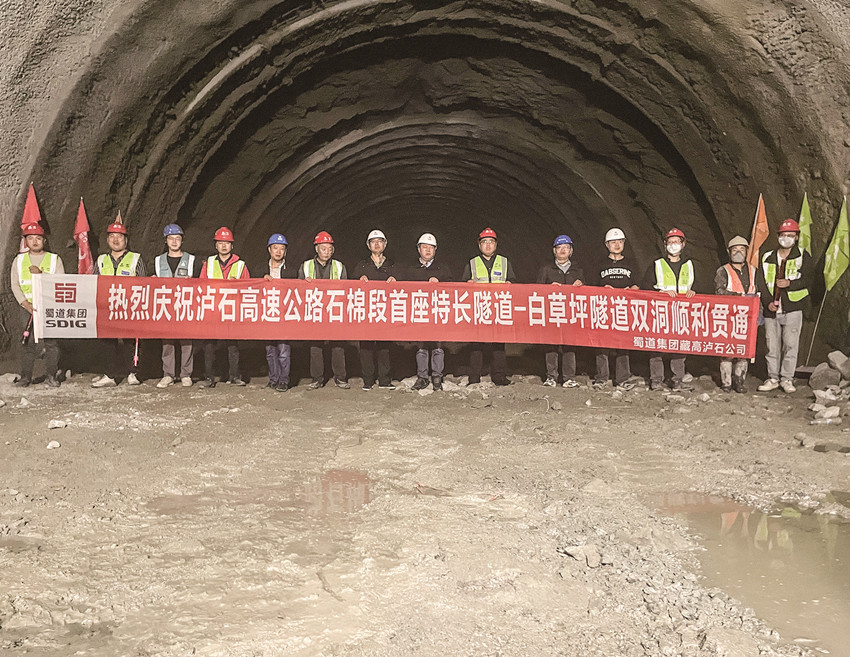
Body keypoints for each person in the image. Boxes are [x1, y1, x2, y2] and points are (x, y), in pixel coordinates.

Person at [756, 219, 812, 394]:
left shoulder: (802, 256)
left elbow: (809, 280)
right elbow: (760, 282)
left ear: (796, 237)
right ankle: (772, 378)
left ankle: (787, 379)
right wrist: (767, 302)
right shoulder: (767, 257)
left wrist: (790, 284)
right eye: (783, 235)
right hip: (771, 309)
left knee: (790, 345)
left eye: (790, 235)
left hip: (793, 307)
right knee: (771, 345)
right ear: (778, 236)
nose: (786, 238)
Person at [641, 228, 698, 391]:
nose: (674, 245)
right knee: (657, 346)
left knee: (679, 345)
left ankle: (677, 380)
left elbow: (699, 286)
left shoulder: (689, 265)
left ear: (683, 244)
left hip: (682, 313)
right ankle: (656, 380)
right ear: (665, 245)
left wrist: (693, 292)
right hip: (660, 312)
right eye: (670, 242)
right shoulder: (657, 265)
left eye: (677, 241)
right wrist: (661, 293)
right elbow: (645, 287)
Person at [92, 221, 146, 388]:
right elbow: (94, 283)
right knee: (107, 342)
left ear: (126, 240)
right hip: (107, 306)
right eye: (112, 236)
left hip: (129, 305)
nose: (116, 240)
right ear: (107, 239)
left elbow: (143, 283)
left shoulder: (135, 258)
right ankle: (110, 374)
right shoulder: (101, 260)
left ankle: (132, 372)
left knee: (131, 340)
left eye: (119, 236)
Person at [10, 223, 64, 387]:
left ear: (44, 241)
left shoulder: (54, 259)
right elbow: (15, 284)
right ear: (25, 241)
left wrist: (42, 274)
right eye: (30, 238)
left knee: (51, 343)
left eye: (38, 238)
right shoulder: (19, 260)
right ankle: (26, 377)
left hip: (49, 307)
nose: (34, 241)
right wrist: (25, 303)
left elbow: (61, 282)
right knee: (28, 343)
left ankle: (51, 376)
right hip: (27, 308)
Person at [461, 227, 516, 385]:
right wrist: (468, 283)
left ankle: (499, 376)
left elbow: (513, 282)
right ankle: (474, 377)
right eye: (484, 242)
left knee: (498, 344)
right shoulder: (472, 263)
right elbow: (463, 285)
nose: (488, 245)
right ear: (479, 245)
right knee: (476, 344)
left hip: (498, 309)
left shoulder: (504, 262)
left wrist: (510, 283)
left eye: (491, 242)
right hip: (479, 309)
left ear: (496, 244)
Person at [199, 226, 250, 388]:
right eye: (220, 243)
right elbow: (201, 285)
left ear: (232, 245)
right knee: (209, 346)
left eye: (226, 243)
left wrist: (238, 284)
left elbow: (248, 288)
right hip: (213, 310)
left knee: (232, 345)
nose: (223, 246)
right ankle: (209, 378)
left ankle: (234, 376)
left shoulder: (240, 265)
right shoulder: (209, 264)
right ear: (216, 245)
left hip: (231, 310)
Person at [591, 227, 640, 390]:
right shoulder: (599, 264)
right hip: (604, 308)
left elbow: (638, 284)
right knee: (602, 344)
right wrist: (602, 289)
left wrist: (632, 289)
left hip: (623, 309)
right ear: (607, 244)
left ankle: (623, 379)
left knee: (623, 343)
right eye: (613, 242)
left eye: (620, 241)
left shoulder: (631, 263)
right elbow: (591, 286)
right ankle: (601, 378)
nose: (617, 245)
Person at [299, 230, 350, 389]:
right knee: (315, 345)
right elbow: (297, 289)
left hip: (333, 310)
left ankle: (340, 377)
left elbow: (345, 289)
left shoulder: (339, 266)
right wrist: (304, 284)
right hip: (315, 310)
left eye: (329, 249)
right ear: (316, 249)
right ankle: (317, 378)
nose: (326, 252)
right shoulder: (306, 266)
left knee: (337, 345)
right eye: (323, 248)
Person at [153, 224, 200, 388]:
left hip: (185, 306)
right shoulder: (158, 261)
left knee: (187, 342)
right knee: (167, 342)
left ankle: (186, 374)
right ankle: (168, 374)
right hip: (165, 307)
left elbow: (201, 283)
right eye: (171, 238)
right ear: (166, 241)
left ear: (182, 240)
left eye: (177, 238)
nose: (174, 242)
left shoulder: (192, 260)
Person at [406, 233, 453, 391]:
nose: (427, 250)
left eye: (431, 248)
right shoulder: (411, 270)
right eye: (424, 247)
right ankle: (422, 377)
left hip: (437, 312)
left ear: (435, 249)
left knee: (438, 346)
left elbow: (452, 288)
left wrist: (440, 283)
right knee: (421, 346)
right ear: (418, 249)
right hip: (419, 312)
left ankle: (437, 377)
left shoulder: (443, 268)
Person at [536, 234, 583, 388]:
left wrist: (581, 285)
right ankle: (551, 377)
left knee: (569, 344)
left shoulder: (577, 270)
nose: (563, 250)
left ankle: (569, 377)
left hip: (570, 313)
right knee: (551, 344)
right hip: (552, 312)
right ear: (554, 251)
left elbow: (586, 292)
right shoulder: (547, 269)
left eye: (566, 247)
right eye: (559, 247)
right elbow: (537, 289)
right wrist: (548, 288)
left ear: (571, 251)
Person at [353, 229, 397, 390]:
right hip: (366, 312)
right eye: (373, 241)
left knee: (385, 346)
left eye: (380, 241)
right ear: (368, 245)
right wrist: (359, 281)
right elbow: (350, 287)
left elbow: (403, 287)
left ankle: (385, 380)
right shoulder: (362, 265)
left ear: (385, 244)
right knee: (366, 346)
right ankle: (368, 380)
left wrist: (396, 281)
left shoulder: (392, 265)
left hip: (385, 311)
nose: (377, 244)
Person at [715, 236, 757, 393]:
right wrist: (739, 296)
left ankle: (739, 382)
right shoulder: (723, 271)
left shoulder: (753, 271)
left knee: (743, 351)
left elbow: (758, 292)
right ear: (729, 252)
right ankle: (726, 383)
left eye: (741, 249)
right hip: (728, 316)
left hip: (747, 317)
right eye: (734, 250)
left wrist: (758, 314)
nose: (738, 253)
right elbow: (719, 291)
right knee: (727, 350)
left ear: (746, 252)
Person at [256, 233, 296, 391]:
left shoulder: (291, 271)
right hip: (267, 314)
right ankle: (273, 379)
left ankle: (284, 380)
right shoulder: (260, 269)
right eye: (275, 248)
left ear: (285, 251)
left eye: (282, 248)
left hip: (284, 315)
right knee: (270, 350)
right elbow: (251, 289)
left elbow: (297, 291)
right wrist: (261, 281)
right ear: (269, 249)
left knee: (283, 350)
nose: (278, 252)